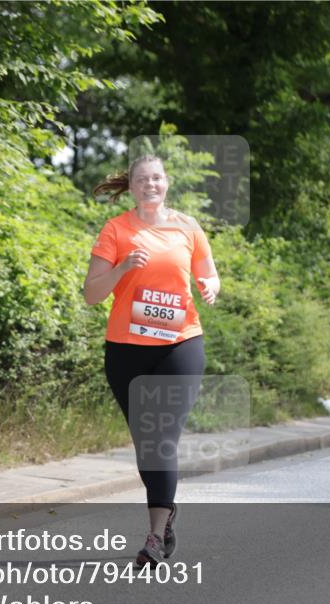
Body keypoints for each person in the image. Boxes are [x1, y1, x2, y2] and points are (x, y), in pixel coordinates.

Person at [83, 155, 220, 566]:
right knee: (148, 443)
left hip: (180, 344)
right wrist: (123, 266)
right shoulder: (116, 230)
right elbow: (92, 293)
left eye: (156, 178)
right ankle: (167, 511)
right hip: (126, 349)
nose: (150, 184)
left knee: (162, 438)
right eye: (142, 179)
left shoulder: (188, 227)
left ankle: (154, 537)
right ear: (132, 186)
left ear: (167, 183)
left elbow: (209, 273)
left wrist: (210, 287)